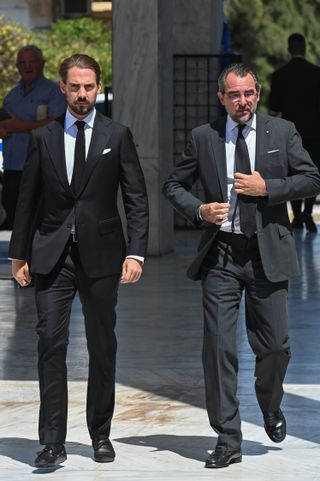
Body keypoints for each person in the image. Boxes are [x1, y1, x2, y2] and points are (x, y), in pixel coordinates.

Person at [163, 63, 320, 469]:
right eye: (234, 95)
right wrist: (199, 209)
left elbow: (311, 178)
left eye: (248, 93)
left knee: (275, 349)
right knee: (217, 348)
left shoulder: (281, 132)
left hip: (269, 252)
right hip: (222, 255)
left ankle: (270, 403)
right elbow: (172, 184)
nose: (242, 101)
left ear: (258, 93)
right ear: (222, 98)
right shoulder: (204, 137)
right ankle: (227, 438)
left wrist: (269, 188)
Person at [9, 53, 149, 468]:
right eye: (75, 87)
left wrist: (136, 251)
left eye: (89, 87)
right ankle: (52, 441)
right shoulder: (43, 138)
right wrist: (19, 255)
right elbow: (26, 203)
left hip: (104, 257)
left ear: (98, 86)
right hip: (52, 257)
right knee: (50, 344)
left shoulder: (117, 135)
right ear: (62, 88)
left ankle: (100, 434)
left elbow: (136, 198)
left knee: (102, 347)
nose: (83, 94)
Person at [0, 45, 66, 229]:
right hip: (13, 168)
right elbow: (4, 125)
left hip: (41, 168)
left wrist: (19, 126)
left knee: (40, 222)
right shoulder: (11, 96)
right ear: (17, 67)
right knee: (13, 213)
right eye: (22, 62)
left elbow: (56, 125)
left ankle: (41, 257)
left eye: (32, 62)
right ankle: (25, 256)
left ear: (42, 64)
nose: (27, 66)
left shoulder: (54, 92)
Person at [269, 33, 320, 232]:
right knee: (313, 171)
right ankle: (308, 212)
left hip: (290, 132)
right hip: (315, 132)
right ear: (305, 48)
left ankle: (297, 215)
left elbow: (274, 105)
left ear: (289, 49)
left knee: (293, 173)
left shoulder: (280, 75)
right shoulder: (317, 73)